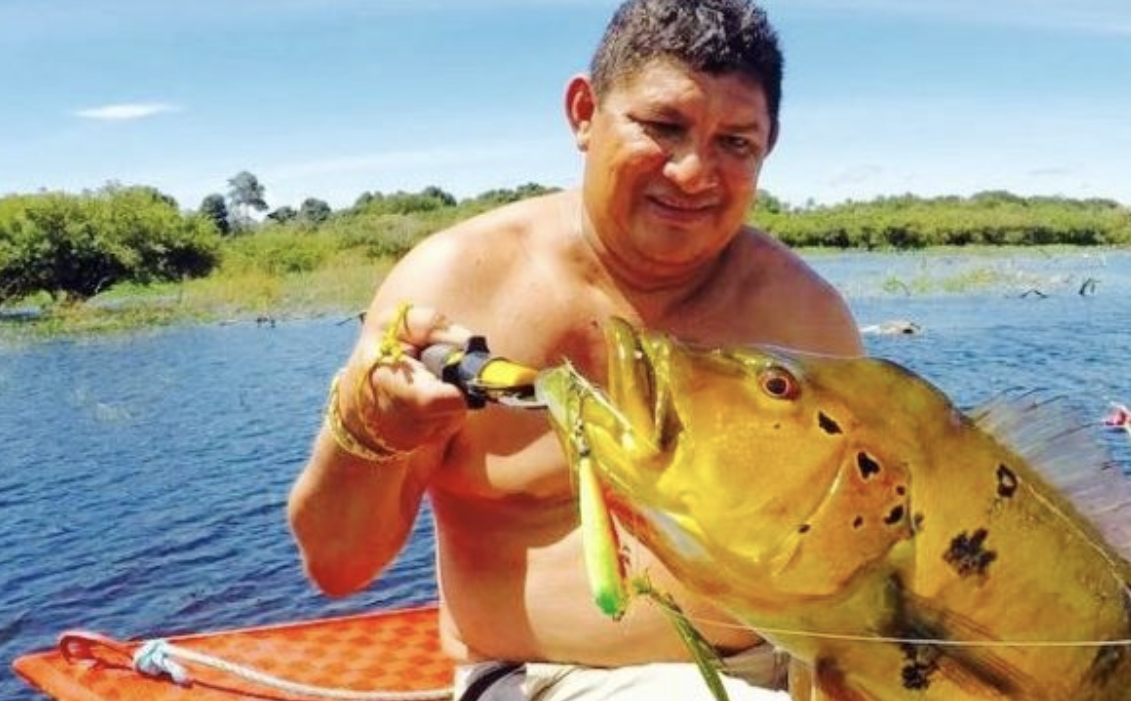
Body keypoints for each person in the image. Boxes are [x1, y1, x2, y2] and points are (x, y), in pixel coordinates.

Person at [287, 1, 862, 699]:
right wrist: (370, 426)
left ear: (769, 145)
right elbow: (338, 565)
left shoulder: (804, 314)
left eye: (735, 142)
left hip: (790, 667)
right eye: (664, 127)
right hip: (545, 678)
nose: (692, 172)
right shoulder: (456, 284)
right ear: (585, 113)